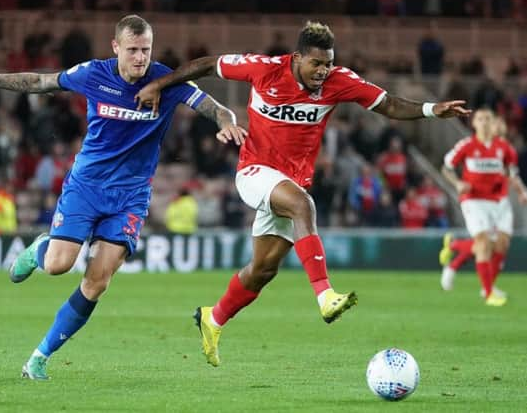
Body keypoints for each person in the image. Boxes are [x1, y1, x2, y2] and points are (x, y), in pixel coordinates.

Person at [135, 20, 470, 367]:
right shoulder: (263, 69)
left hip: (291, 180)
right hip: (254, 172)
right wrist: (160, 84)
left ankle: (212, 318)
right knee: (302, 205)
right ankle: (325, 296)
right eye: (316, 63)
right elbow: (206, 64)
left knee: (262, 269)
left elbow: (388, 105)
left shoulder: (340, 81)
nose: (323, 71)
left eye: (327, 63)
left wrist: (432, 110)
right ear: (297, 58)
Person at [0, 14, 246, 380]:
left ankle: (39, 357)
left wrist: (226, 121)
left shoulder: (167, 80)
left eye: (145, 49)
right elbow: (40, 81)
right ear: (116, 47)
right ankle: (40, 249)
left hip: (131, 196)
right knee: (57, 265)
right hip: (87, 185)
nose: (140, 58)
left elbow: (215, 106)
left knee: (98, 281)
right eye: (132, 50)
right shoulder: (93, 73)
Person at [441, 110, 527, 306]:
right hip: (474, 200)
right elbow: (446, 167)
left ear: (493, 122)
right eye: (481, 119)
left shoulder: (504, 148)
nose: (485, 122)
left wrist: (522, 192)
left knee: (501, 245)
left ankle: (454, 245)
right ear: (474, 124)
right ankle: (488, 293)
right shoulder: (467, 145)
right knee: (484, 243)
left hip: (499, 202)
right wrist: (457, 183)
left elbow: (512, 173)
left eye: (488, 118)